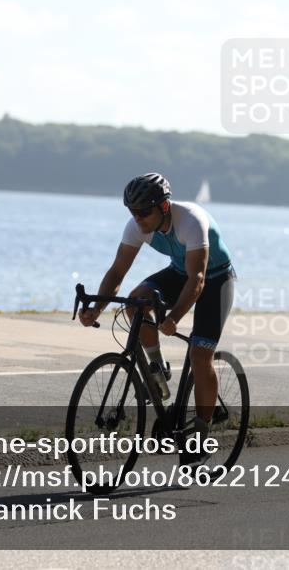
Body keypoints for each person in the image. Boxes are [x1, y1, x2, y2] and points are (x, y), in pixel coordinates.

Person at [78, 173, 236, 465]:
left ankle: (201, 433)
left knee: (200, 353)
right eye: (132, 212)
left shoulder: (191, 221)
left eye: (143, 212)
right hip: (179, 272)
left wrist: (174, 317)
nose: (137, 218)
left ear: (163, 207)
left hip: (215, 280)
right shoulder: (137, 226)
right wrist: (97, 308)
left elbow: (198, 280)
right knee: (137, 302)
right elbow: (117, 272)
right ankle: (156, 368)